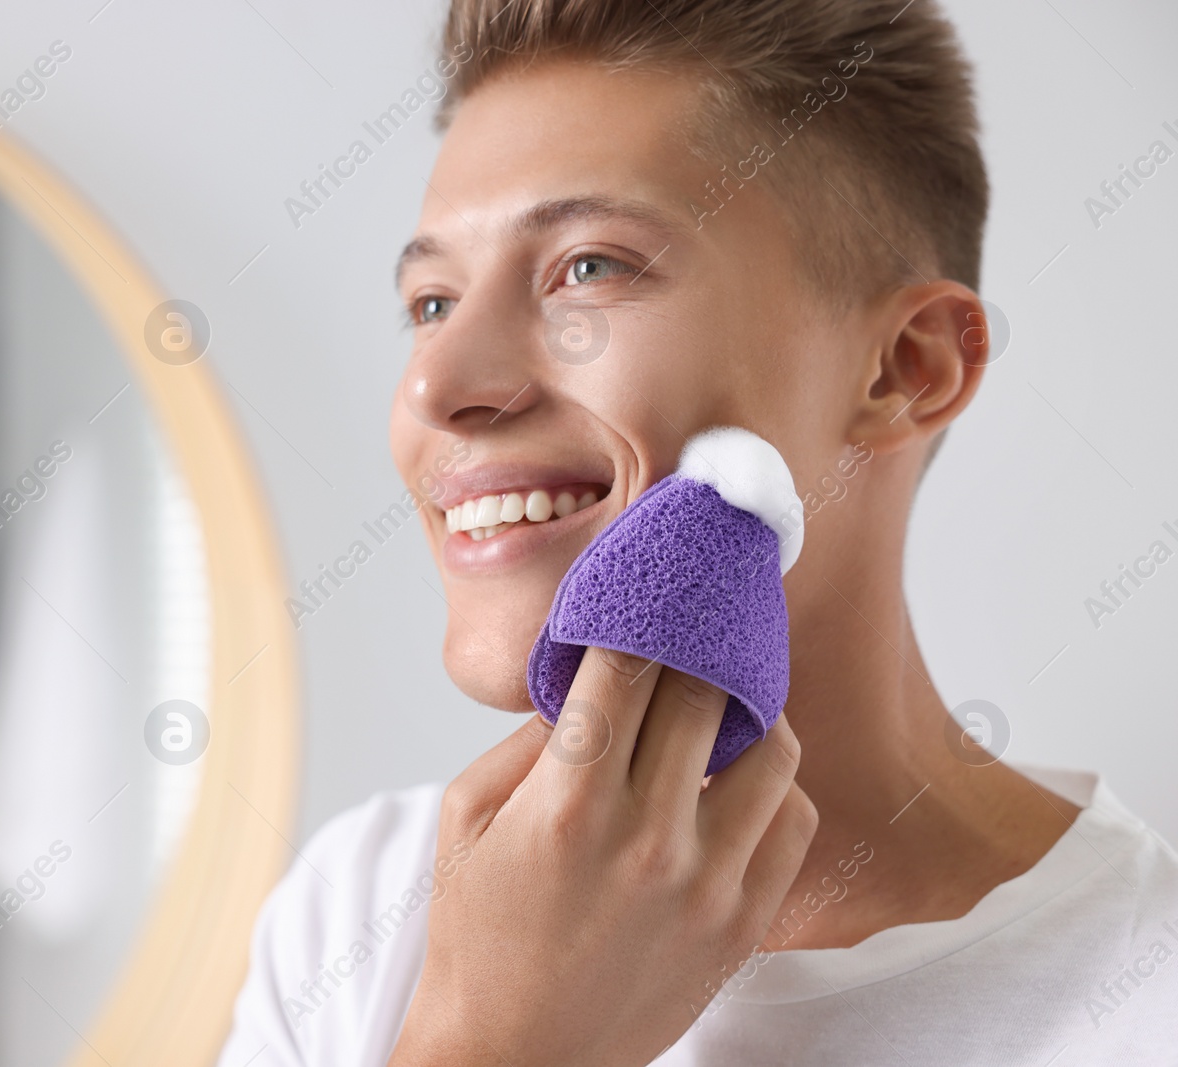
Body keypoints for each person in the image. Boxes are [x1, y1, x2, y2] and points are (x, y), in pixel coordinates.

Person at [219, 1, 1178, 1063]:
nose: (435, 384)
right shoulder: (355, 905)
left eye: (588, 267)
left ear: (903, 370)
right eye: (432, 300)